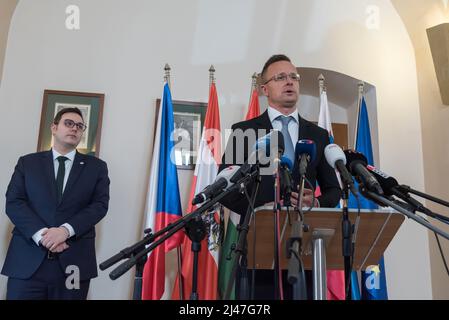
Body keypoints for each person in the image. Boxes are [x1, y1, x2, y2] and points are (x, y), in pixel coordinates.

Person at [218, 54, 341, 299]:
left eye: (294, 77)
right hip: (256, 248)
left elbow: (334, 191)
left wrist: (315, 203)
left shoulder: (318, 134)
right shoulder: (244, 131)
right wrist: (259, 210)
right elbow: (225, 188)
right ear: (265, 89)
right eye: (281, 77)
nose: (289, 82)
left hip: (304, 249)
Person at [1, 107, 110, 300]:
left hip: (73, 264)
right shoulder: (28, 163)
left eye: (80, 126)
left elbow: (99, 205)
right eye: (69, 123)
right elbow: (14, 202)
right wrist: (44, 235)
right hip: (27, 261)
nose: (74, 128)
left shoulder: (96, 167)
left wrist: (65, 231)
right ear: (54, 127)